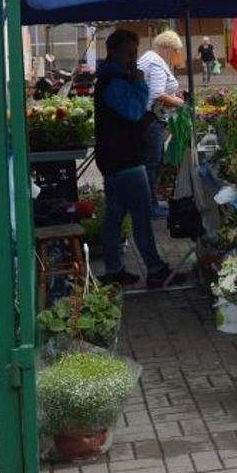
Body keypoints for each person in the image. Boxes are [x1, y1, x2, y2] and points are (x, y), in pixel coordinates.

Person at [93, 30, 184, 288]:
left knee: (115, 215)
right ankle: (155, 268)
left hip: (115, 157)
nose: (134, 57)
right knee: (141, 215)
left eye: (135, 51)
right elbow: (133, 113)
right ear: (115, 52)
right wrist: (140, 83)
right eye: (130, 52)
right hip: (125, 159)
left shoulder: (111, 79)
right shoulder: (116, 82)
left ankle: (114, 269)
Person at [137, 30, 185, 218]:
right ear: (167, 48)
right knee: (152, 163)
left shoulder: (148, 58)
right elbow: (157, 93)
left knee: (152, 162)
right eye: (175, 52)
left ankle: (150, 204)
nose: (176, 56)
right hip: (152, 120)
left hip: (147, 119)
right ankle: (150, 207)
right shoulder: (155, 62)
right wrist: (181, 104)